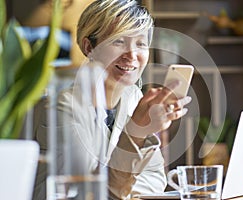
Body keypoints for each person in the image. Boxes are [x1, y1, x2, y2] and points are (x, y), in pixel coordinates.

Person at [33, 0, 192, 199]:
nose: (132, 55)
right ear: (89, 47)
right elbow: (85, 196)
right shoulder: (61, 108)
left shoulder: (133, 97)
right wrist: (136, 131)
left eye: (141, 44)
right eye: (118, 41)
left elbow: (154, 180)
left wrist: (118, 185)